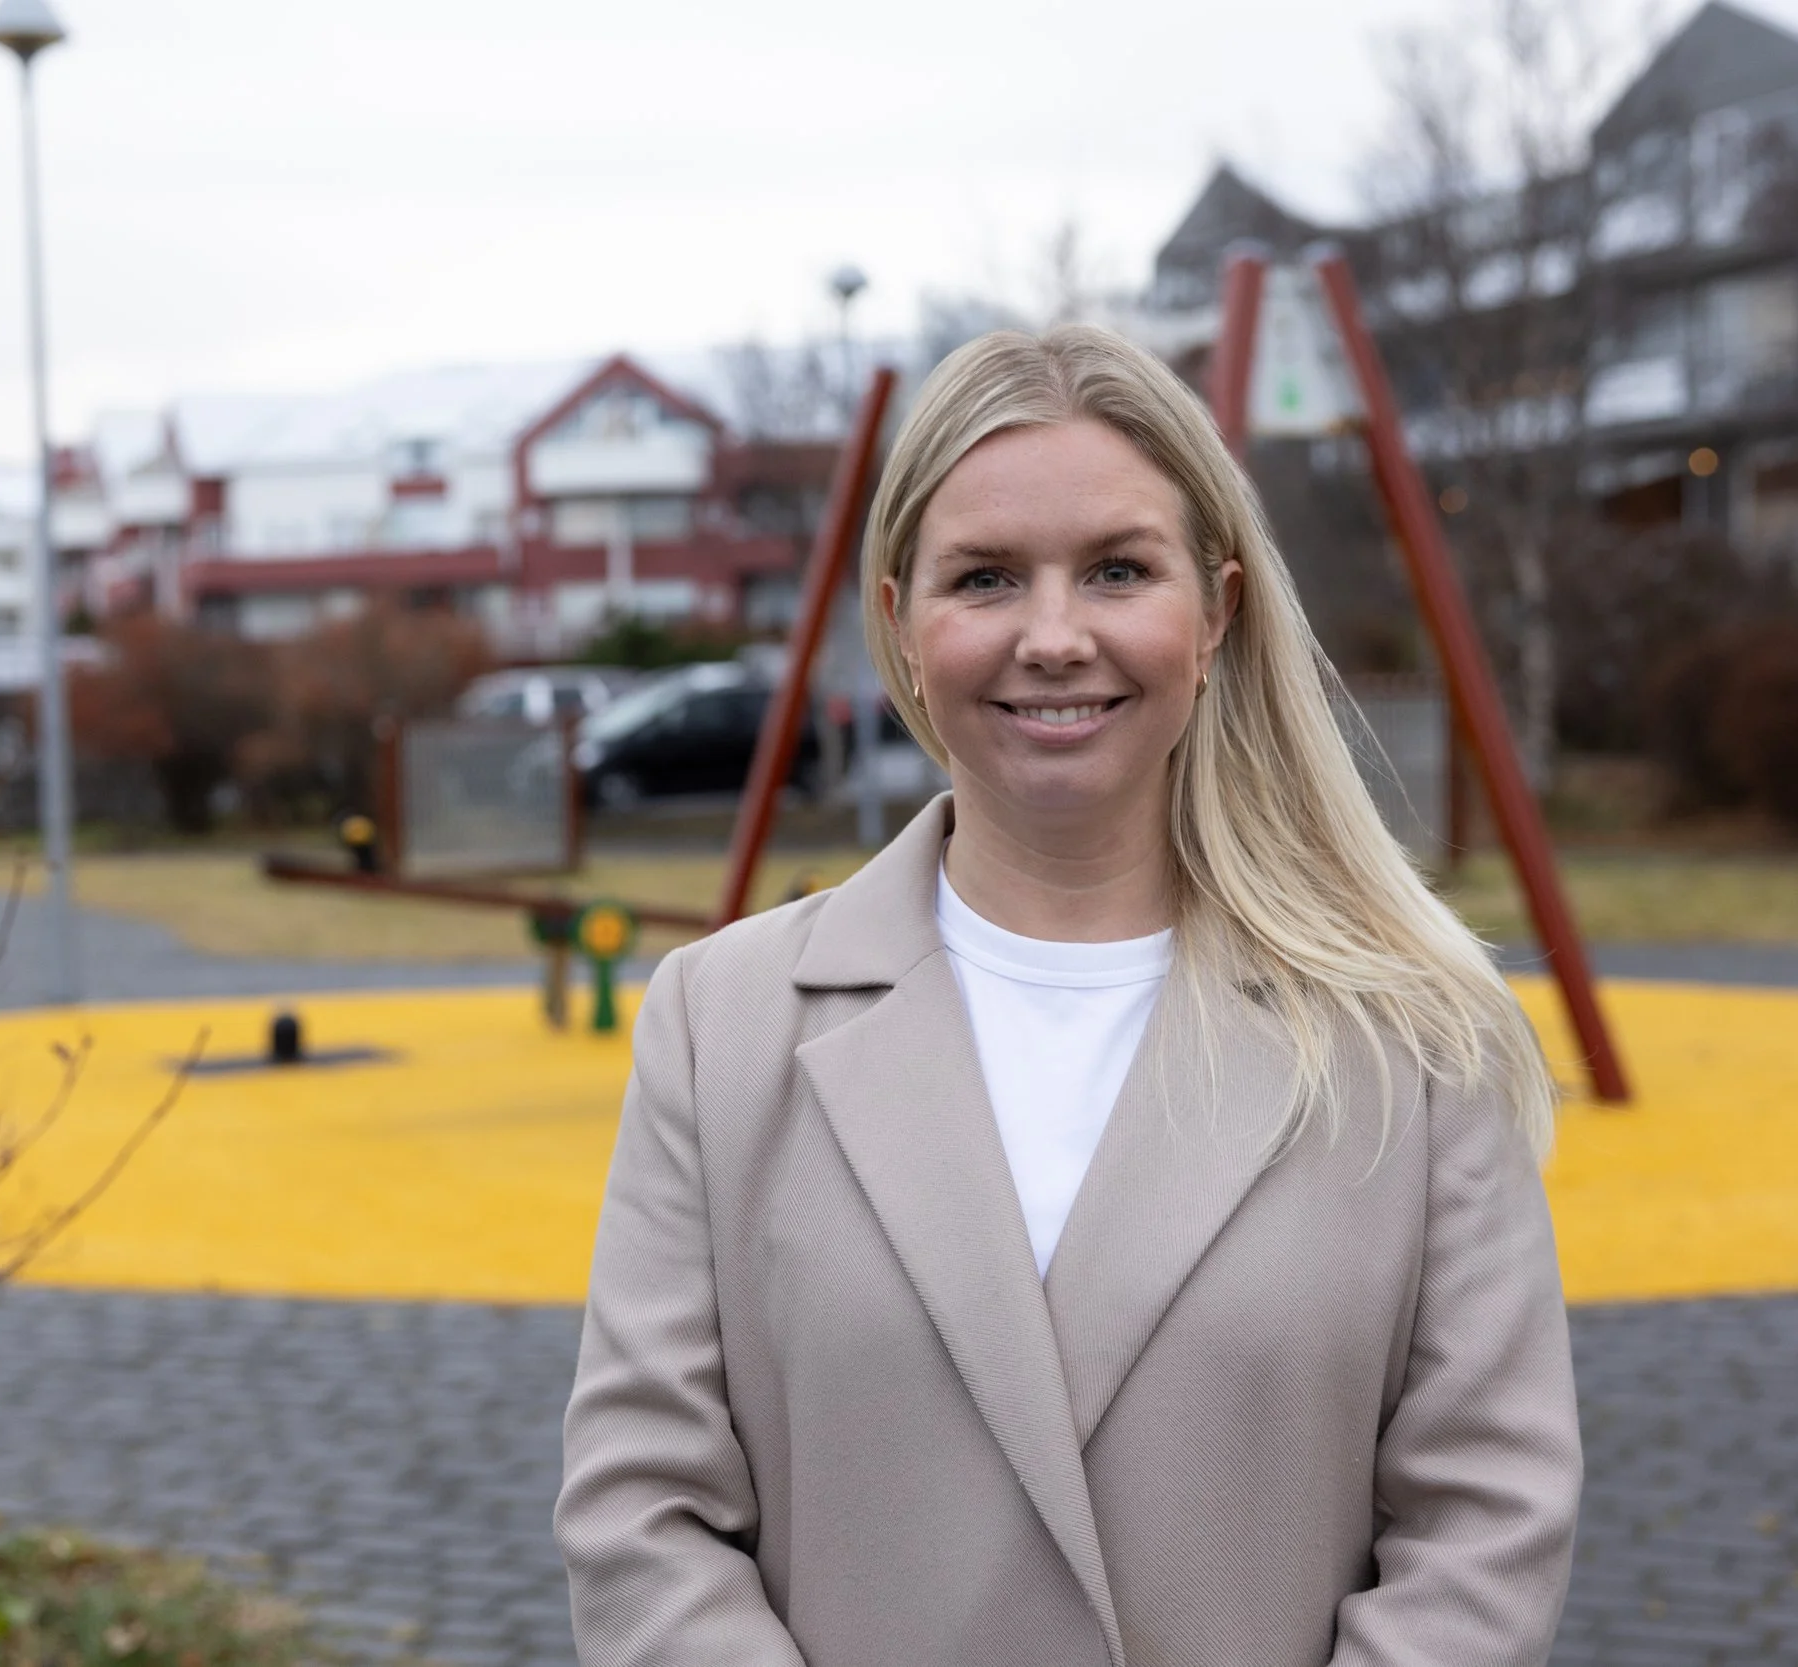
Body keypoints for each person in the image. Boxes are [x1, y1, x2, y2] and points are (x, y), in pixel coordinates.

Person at [555, 325, 1579, 1667]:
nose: (1053, 636)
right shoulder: (719, 1023)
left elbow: (1485, 1527)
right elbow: (644, 1516)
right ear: (901, 626)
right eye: (985, 578)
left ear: (1214, 614)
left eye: (1116, 570)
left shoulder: (1412, 1038)